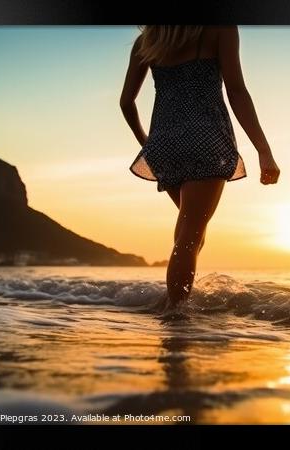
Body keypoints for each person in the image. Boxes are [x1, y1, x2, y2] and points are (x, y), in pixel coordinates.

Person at [120, 25, 280, 309]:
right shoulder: (220, 29)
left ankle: (177, 305)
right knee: (188, 239)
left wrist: (146, 142)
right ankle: (177, 317)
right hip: (206, 141)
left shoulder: (148, 40)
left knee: (191, 232)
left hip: (165, 146)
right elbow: (236, 91)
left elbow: (126, 102)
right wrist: (263, 151)